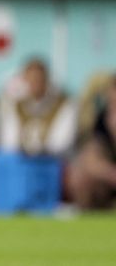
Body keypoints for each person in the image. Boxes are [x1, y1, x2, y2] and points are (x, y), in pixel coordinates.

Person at [0, 58, 77, 157]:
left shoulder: (65, 105)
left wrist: (37, 150)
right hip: (21, 162)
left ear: (47, 80)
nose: (34, 83)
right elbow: (8, 143)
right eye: (30, 79)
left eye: (38, 79)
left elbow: (61, 144)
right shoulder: (15, 106)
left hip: (52, 162)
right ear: (23, 80)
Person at [67, 74, 116, 209]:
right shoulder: (101, 119)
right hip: (108, 175)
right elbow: (90, 157)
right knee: (80, 177)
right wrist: (111, 174)